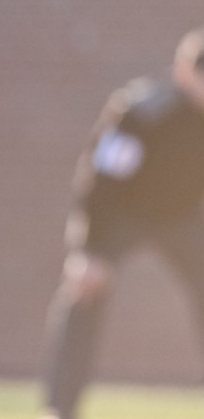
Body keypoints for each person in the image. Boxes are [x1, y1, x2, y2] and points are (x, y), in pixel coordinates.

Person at [40, 27, 204, 419]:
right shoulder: (145, 113)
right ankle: (60, 407)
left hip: (183, 216)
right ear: (185, 73)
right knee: (85, 290)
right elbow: (102, 181)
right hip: (123, 214)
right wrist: (88, 251)